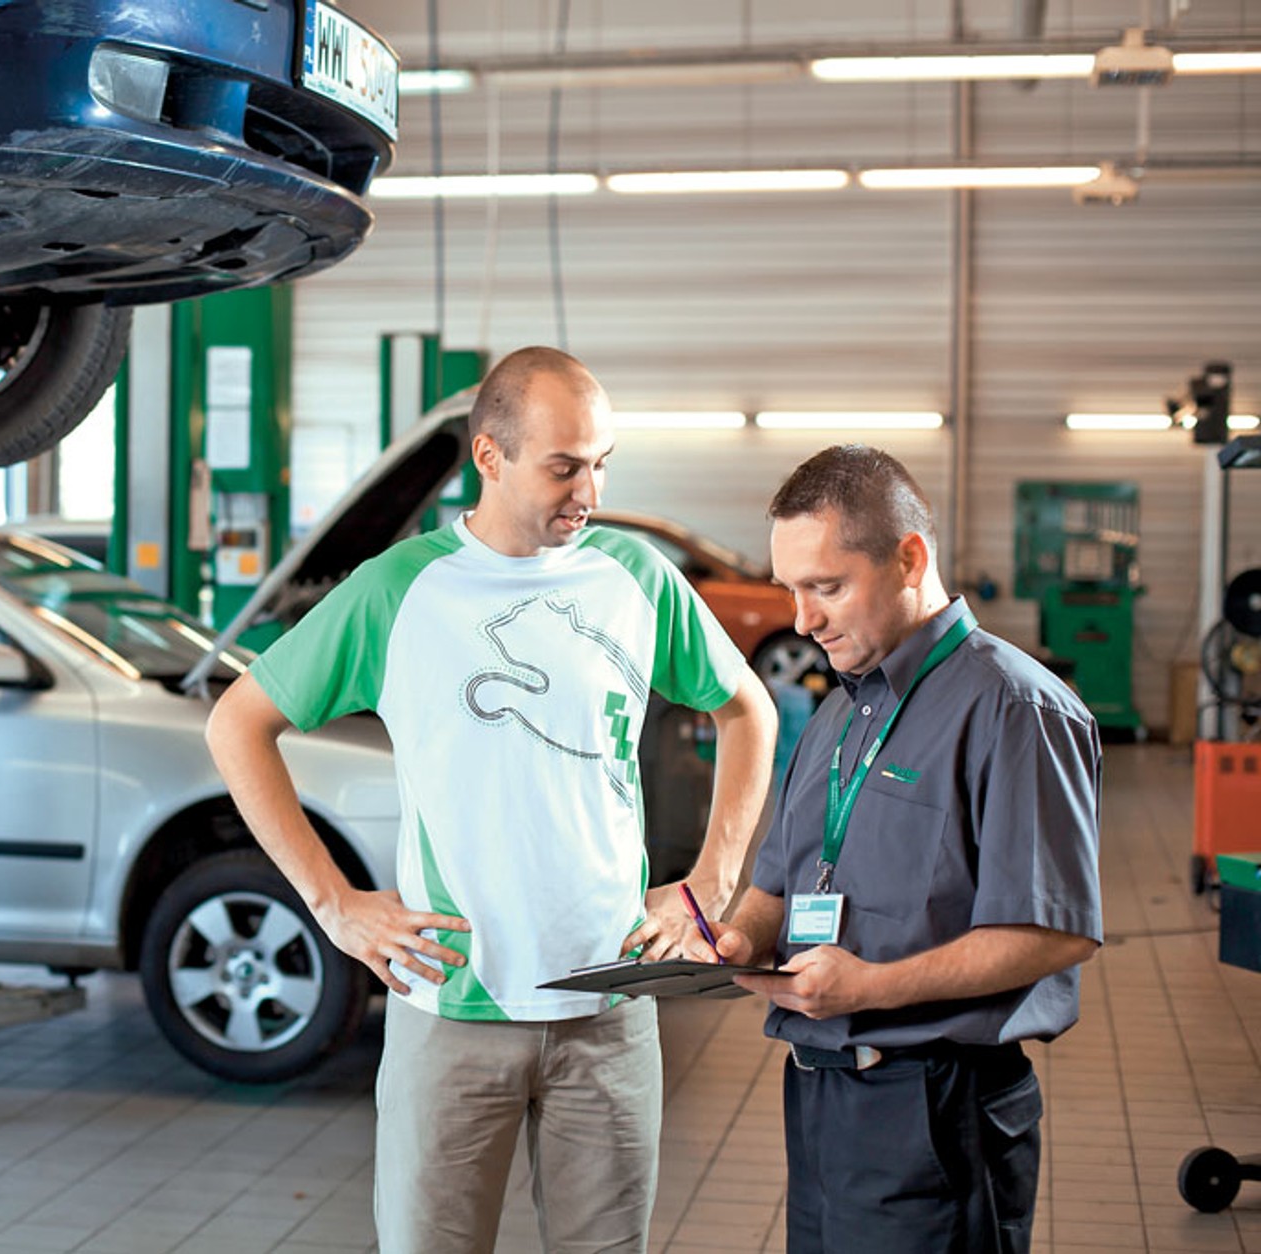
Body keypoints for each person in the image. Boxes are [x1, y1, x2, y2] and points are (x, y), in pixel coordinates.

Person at [205, 346, 776, 1254]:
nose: (587, 490)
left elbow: (748, 709)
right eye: (563, 466)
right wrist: (335, 906)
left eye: (600, 464)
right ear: (489, 457)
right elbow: (238, 725)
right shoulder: (398, 591)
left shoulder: (634, 576)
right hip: (452, 1010)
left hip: (610, 1006)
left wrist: (711, 885)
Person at [690, 445, 1103, 1254]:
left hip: (935, 1109)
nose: (803, 621)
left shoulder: (1015, 709)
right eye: (791, 591)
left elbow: (1058, 931)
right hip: (819, 1098)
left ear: (910, 558)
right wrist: (741, 939)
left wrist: (873, 986)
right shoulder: (841, 713)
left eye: (828, 587)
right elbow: (780, 882)